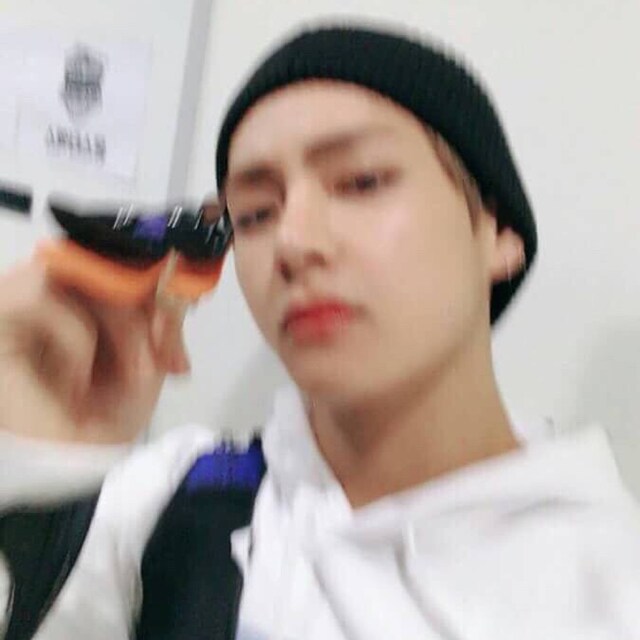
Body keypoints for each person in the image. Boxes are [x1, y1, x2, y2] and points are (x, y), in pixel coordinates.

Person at [2, 21, 640, 640]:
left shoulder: (612, 587)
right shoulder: (163, 505)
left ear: (499, 233)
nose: (293, 241)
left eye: (362, 181)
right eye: (255, 214)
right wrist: (28, 468)